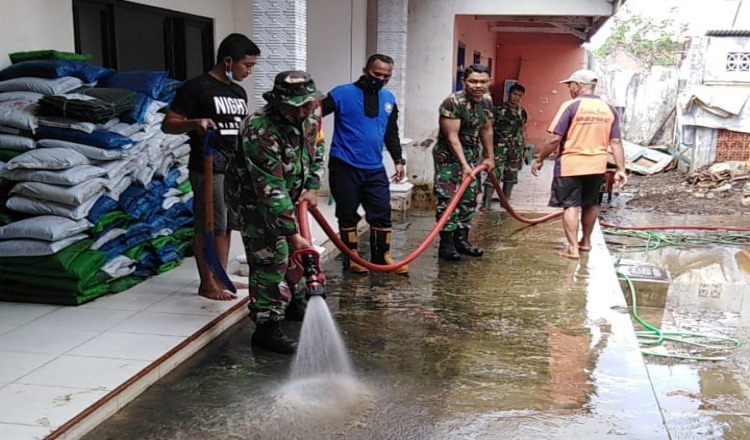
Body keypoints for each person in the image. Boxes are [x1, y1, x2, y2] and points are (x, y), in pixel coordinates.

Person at [225, 71, 325, 354]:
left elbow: (318, 148)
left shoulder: (311, 116)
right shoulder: (260, 129)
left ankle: (294, 304)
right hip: (257, 202)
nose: (305, 111)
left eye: (309, 104)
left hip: (292, 195)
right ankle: (266, 329)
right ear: (279, 101)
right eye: (298, 106)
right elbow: (269, 187)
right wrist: (292, 234)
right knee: (270, 260)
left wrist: (313, 186)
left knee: (295, 257)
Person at [162, 33, 260, 301]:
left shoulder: (238, 92)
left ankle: (220, 277)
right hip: (208, 165)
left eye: (252, 66)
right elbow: (168, 123)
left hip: (234, 168)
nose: (249, 71)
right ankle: (207, 283)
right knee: (209, 225)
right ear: (228, 61)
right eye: (246, 65)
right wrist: (195, 123)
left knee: (227, 225)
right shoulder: (196, 87)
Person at [322, 54, 409, 275]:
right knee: (347, 212)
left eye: (386, 76)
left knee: (381, 211)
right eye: (376, 74)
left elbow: (391, 133)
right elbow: (313, 114)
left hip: (374, 167)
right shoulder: (341, 94)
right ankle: (352, 258)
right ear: (365, 70)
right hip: (344, 164)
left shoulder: (389, 99)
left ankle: (382, 257)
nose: (380, 79)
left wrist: (399, 160)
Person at [530, 69, 627, 259]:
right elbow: (616, 142)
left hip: (570, 164)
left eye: (570, 85)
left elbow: (554, 139)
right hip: (597, 166)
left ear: (577, 85)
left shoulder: (571, 106)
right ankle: (586, 243)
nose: (569, 89)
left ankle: (572, 248)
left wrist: (540, 159)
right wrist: (621, 169)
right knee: (590, 204)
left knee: (570, 205)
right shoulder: (609, 109)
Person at [433, 64, 495, 261]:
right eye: (473, 81)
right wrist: (463, 165)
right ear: (464, 82)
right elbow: (452, 137)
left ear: (489, 82)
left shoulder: (486, 103)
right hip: (449, 158)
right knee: (449, 199)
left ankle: (462, 241)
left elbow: (486, 129)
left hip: (471, 156)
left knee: (469, 198)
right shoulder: (453, 103)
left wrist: (489, 156)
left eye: (483, 81)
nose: (478, 86)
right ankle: (447, 244)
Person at [483, 83, 528, 208]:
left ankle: (505, 202)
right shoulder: (498, 110)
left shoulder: (522, 112)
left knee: (511, 174)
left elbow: (523, 130)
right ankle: (486, 203)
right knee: (494, 173)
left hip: (516, 148)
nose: (516, 97)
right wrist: (487, 148)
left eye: (520, 95)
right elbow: (488, 128)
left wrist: (525, 148)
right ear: (509, 94)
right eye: (515, 94)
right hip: (499, 146)